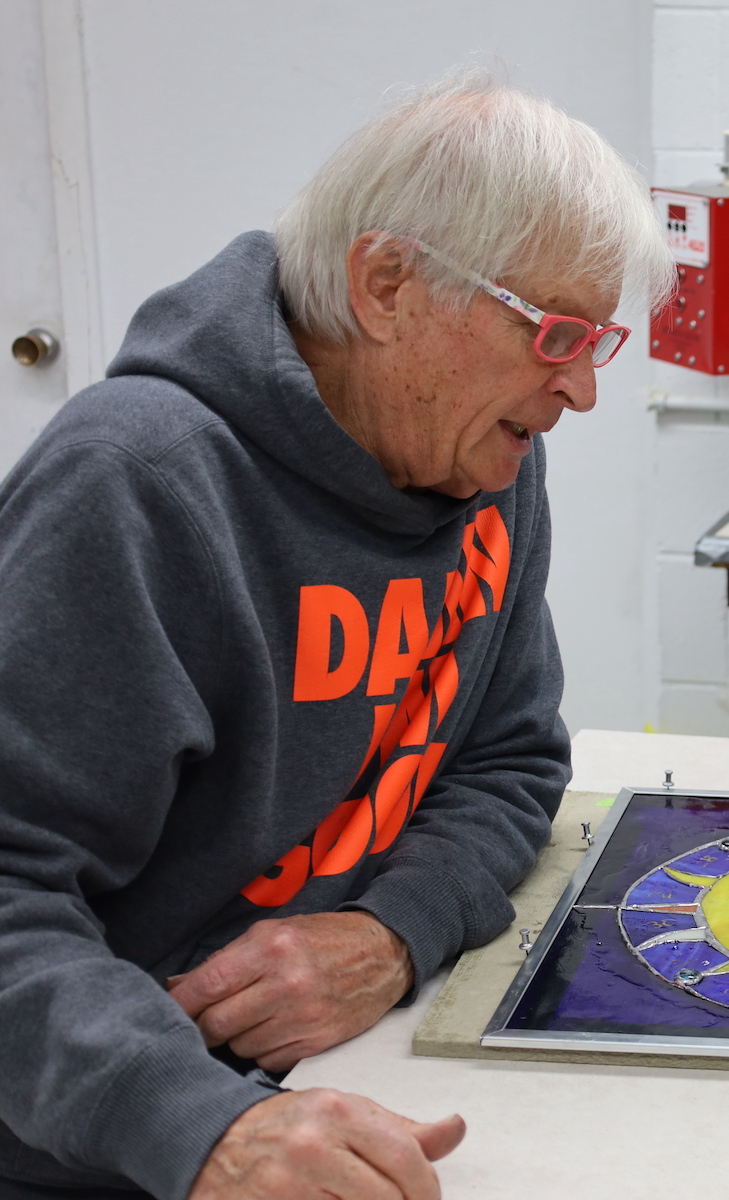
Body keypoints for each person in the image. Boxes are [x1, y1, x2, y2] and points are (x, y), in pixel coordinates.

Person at [0, 73, 670, 1200]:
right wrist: (204, 1129)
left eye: (594, 340)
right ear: (387, 284)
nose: (578, 392)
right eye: (555, 331)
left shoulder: (489, 461)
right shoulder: (136, 488)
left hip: (344, 1076)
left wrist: (392, 931)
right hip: (110, 1153)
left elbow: (509, 761)